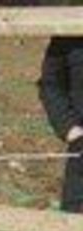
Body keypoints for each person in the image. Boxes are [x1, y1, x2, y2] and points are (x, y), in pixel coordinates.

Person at [38, 37, 83, 214]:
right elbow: (50, 84)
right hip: (81, 150)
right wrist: (69, 127)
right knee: (74, 224)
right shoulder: (70, 32)